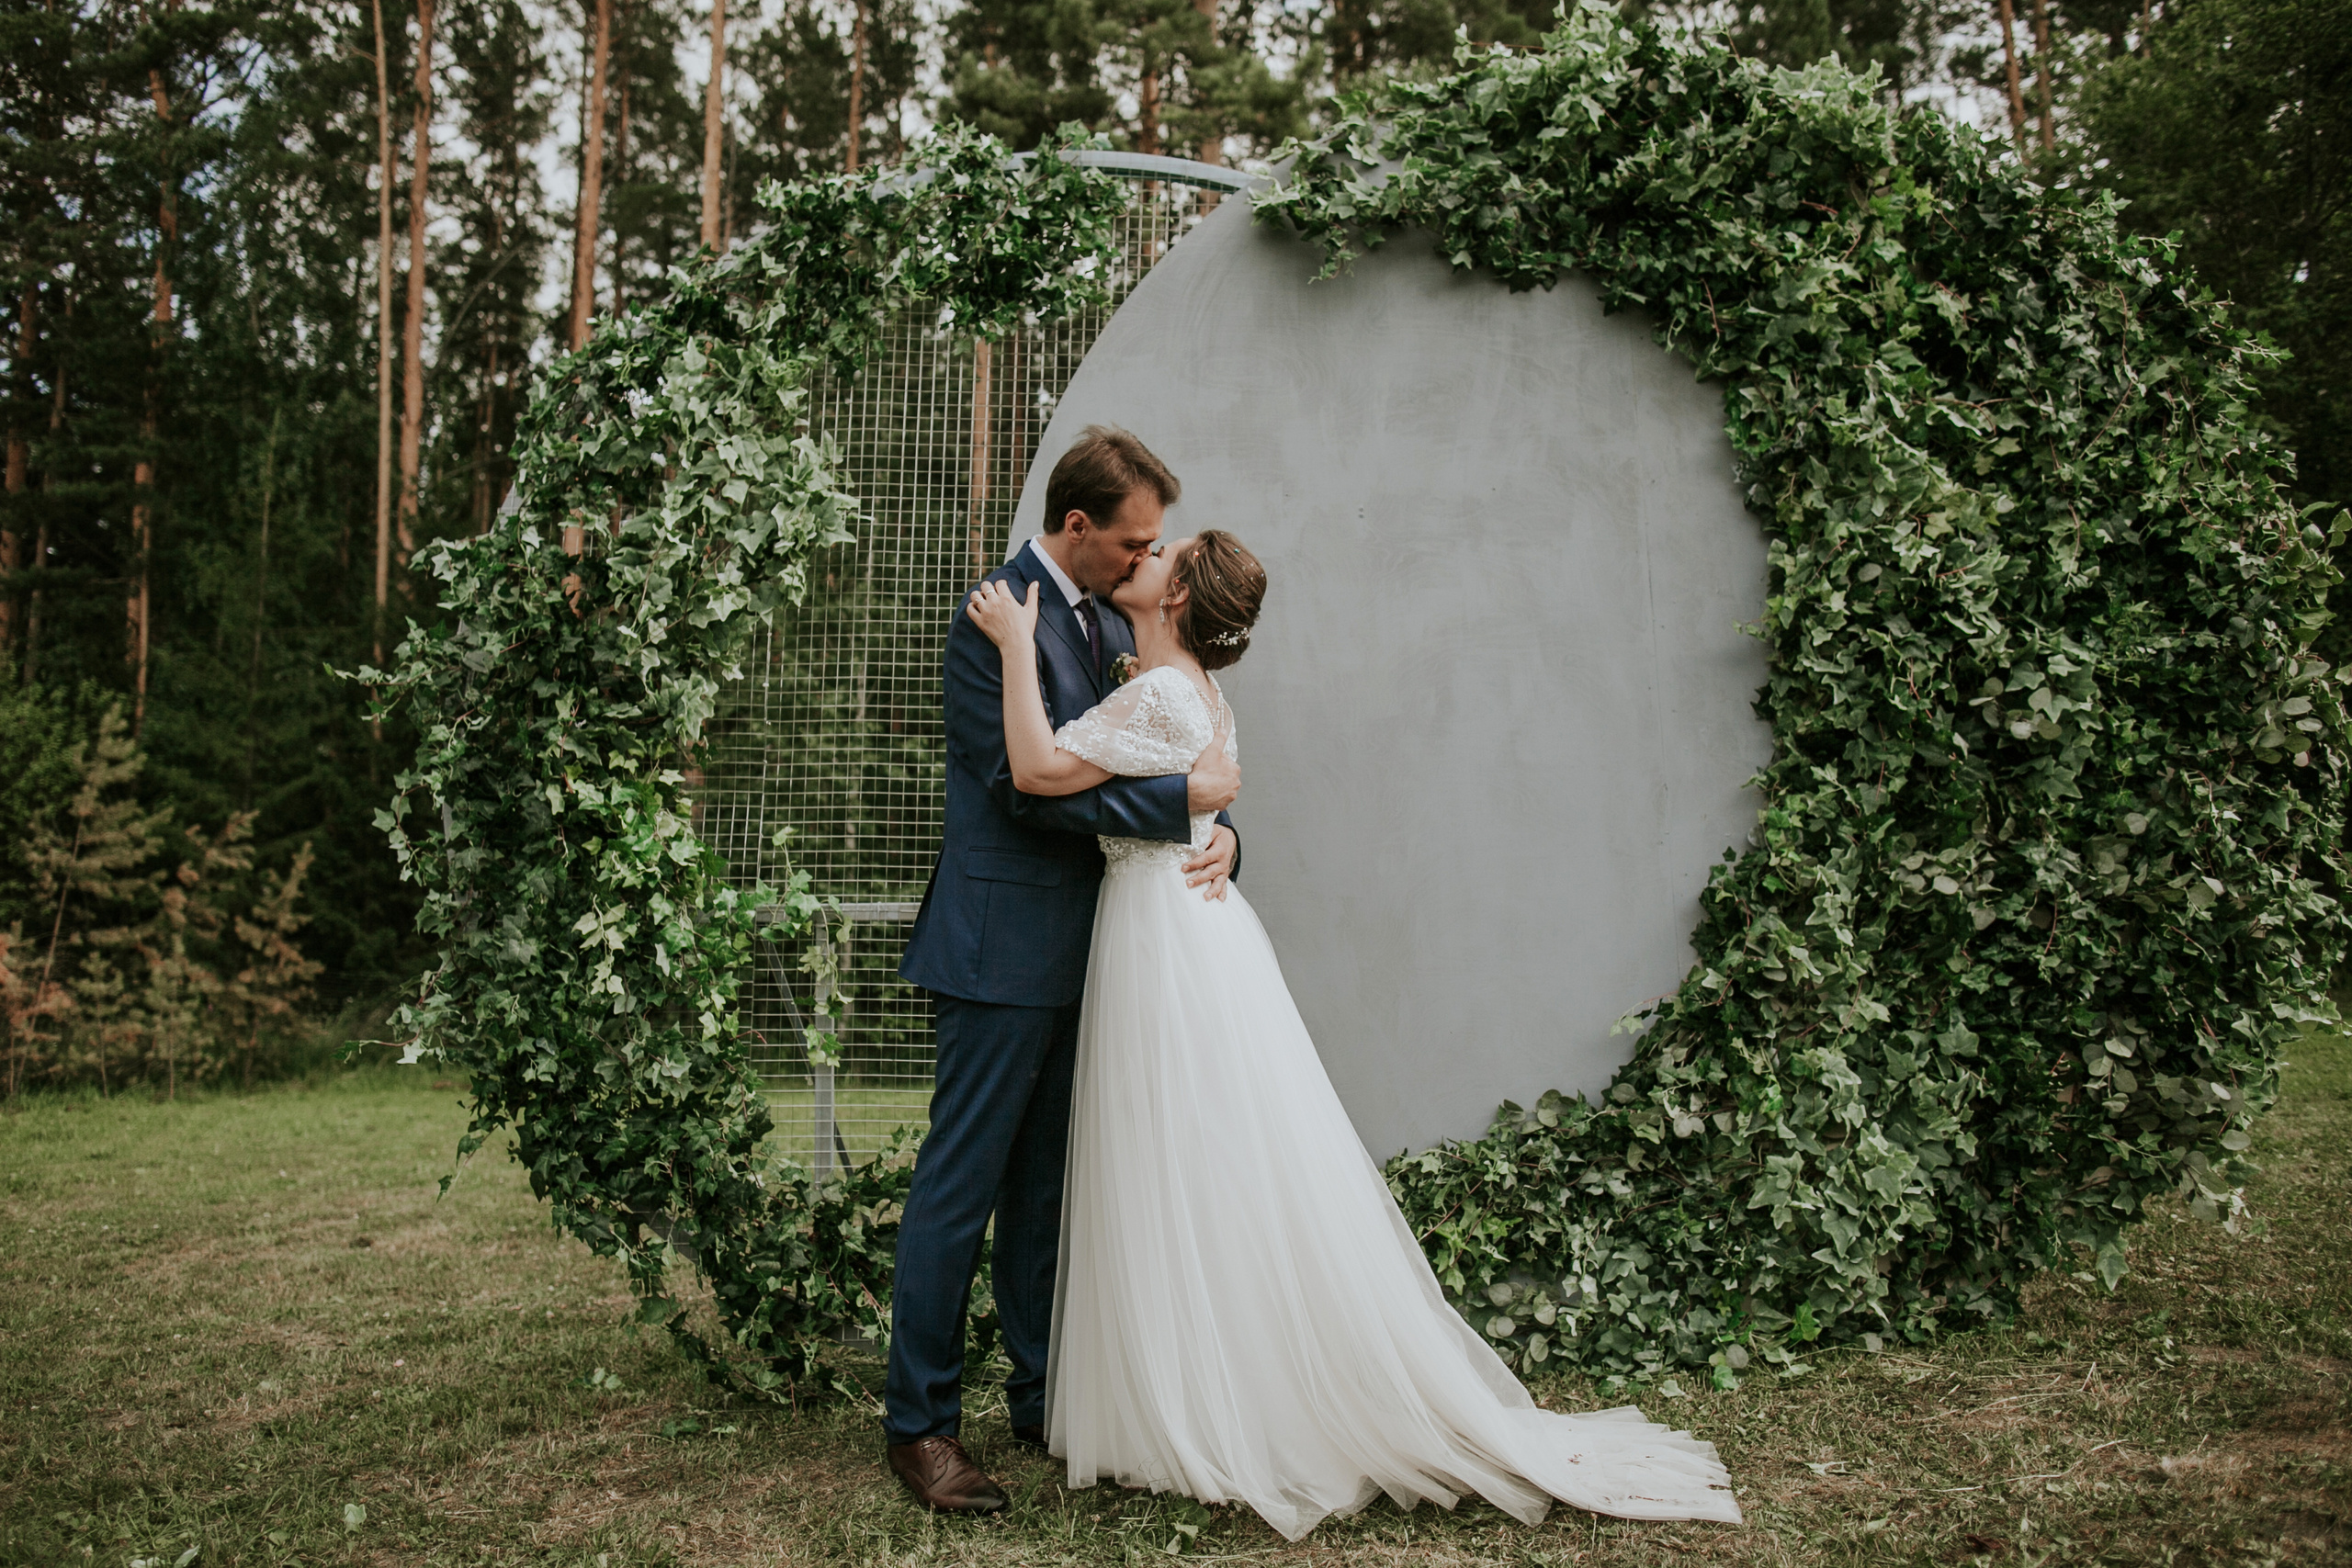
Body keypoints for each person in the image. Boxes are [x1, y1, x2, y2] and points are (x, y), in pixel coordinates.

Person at [958, 526, 1745, 1540]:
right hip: (1188, 932)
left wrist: (1013, 646)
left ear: (1177, 595)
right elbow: (1184, 802)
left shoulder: (1160, 694)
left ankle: (1204, 1401)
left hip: (1164, 942)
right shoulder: (1192, 692)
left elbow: (1034, 767)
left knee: (1178, 1158)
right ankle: (1195, 1387)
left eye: (1161, 553)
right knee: (1200, 1162)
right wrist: (1216, 828)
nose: (1141, 556)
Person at [887, 426, 1241, 1513]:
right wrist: (1179, 807)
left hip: (1107, 950)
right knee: (962, 1189)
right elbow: (1019, 785)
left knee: (1048, 1192)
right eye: (1132, 542)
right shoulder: (991, 615)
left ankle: (1044, 1399)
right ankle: (921, 1428)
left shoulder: (1115, 622)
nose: (1145, 559)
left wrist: (1223, 833)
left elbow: (1169, 742)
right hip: (1000, 948)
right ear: (1077, 525)